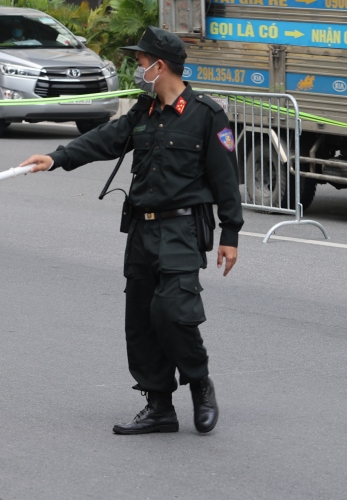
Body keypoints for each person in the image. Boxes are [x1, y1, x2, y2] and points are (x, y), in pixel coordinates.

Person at [20, 27, 243, 435]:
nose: (137, 66)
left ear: (160, 66)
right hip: (142, 230)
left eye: (142, 61)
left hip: (181, 229)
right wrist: (55, 158)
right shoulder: (143, 112)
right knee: (141, 319)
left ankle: (199, 381)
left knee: (173, 313)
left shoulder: (206, 115)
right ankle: (159, 406)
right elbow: (104, 140)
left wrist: (231, 234)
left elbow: (227, 178)